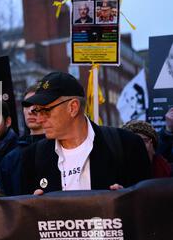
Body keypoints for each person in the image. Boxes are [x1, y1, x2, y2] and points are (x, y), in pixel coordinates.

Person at [19, 72, 151, 195]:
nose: (40, 119)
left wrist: (127, 201)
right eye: (37, 111)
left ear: (73, 107)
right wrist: (35, 208)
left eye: (46, 111)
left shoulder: (126, 145)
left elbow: (148, 206)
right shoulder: (32, 157)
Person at [0, 85, 45, 195]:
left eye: (37, 105)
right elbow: (3, 202)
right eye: (27, 105)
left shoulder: (63, 149)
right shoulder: (10, 159)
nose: (31, 110)